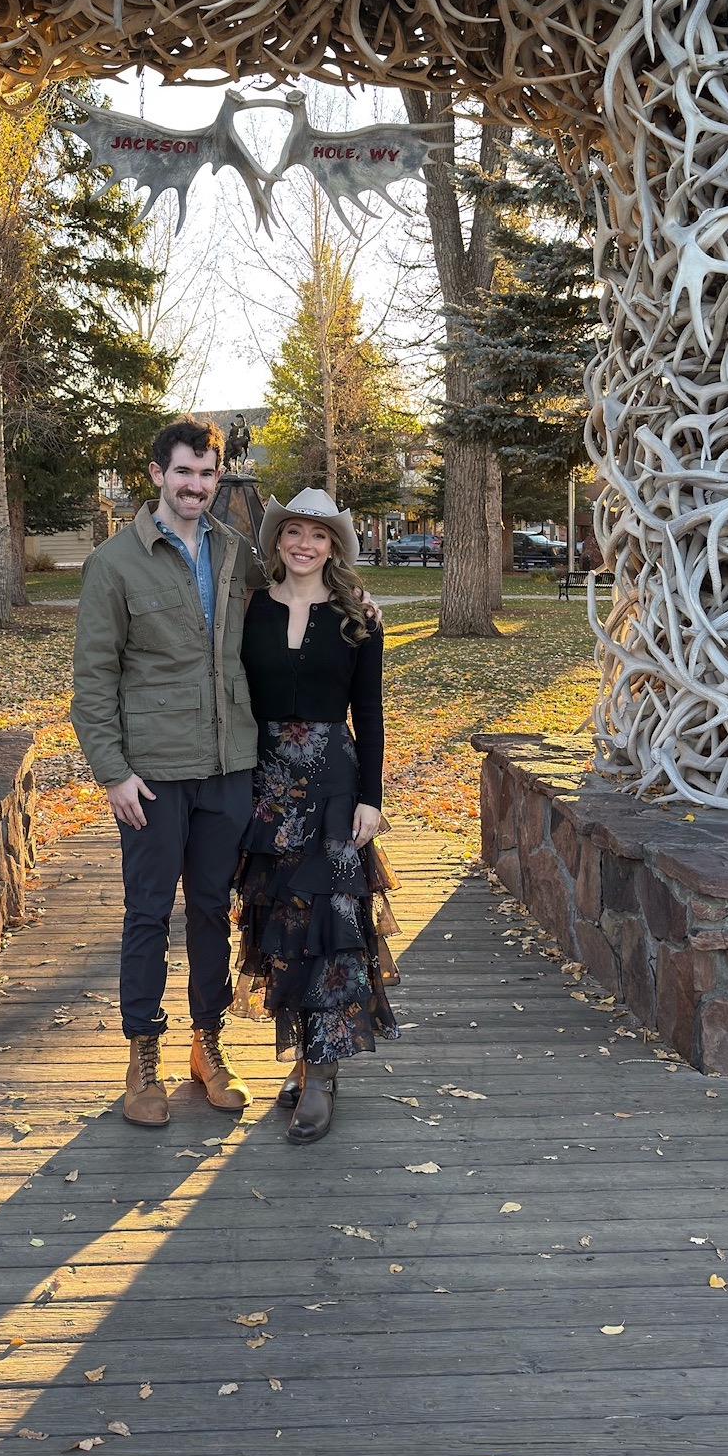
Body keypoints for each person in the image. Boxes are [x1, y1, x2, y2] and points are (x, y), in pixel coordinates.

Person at [70, 417, 260, 1128]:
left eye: (208, 474)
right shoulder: (113, 564)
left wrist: (355, 599)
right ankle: (141, 1055)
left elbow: (294, 598)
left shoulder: (236, 551)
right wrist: (112, 773)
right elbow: (93, 682)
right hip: (149, 776)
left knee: (214, 910)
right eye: (184, 472)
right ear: (156, 475)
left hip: (226, 767)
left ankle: (207, 1045)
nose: (196, 486)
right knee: (148, 913)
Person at [234, 487, 399, 1145]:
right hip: (268, 789)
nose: (305, 543)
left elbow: (373, 713)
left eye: (319, 535)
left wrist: (371, 798)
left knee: (332, 931)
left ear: (334, 547)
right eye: (294, 532)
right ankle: (304, 1057)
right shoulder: (249, 611)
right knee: (282, 929)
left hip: (334, 785)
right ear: (278, 541)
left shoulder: (359, 616)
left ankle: (323, 1076)